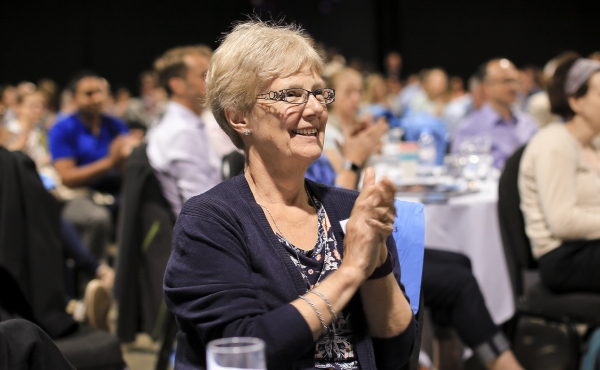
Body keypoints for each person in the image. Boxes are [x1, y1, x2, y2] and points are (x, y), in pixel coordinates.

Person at [163, 19, 417, 370]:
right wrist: (350, 271)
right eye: (292, 95)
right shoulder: (209, 221)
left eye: (318, 93)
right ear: (239, 117)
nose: (314, 109)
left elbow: (397, 355)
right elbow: (243, 351)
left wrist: (376, 265)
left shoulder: (349, 208)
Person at [306, 150, 525, 370]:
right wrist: (353, 161)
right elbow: (334, 206)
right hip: (344, 254)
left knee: (460, 261)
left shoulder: (324, 152)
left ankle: (447, 360)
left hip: (362, 240)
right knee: (460, 282)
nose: (314, 113)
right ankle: (505, 364)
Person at [519, 55, 600, 294]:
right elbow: (563, 223)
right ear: (576, 101)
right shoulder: (554, 143)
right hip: (564, 258)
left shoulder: (593, 144)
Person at [49, 71, 140, 260]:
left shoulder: (115, 124)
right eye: (89, 94)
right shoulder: (62, 128)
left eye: (100, 92)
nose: (97, 98)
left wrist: (130, 157)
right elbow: (68, 178)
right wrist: (110, 161)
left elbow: (125, 171)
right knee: (97, 218)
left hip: (113, 190)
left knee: (144, 207)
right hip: (77, 195)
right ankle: (94, 279)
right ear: (74, 98)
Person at [147, 45, 227, 218]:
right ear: (178, 86)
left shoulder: (186, 124)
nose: (214, 81)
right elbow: (202, 209)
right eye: (204, 75)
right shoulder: (182, 133)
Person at [452, 59, 538, 169]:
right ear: (485, 88)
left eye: (515, 81)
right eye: (506, 81)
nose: (513, 87)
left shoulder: (529, 125)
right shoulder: (468, 129)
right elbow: (462, 173)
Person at [322, 68, 388, 183]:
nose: (356, 98)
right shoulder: (326, 130)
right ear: (330, 95)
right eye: (348, 92)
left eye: (359, 92)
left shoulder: (360, 125)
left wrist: (373, 142)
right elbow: (340, 178)